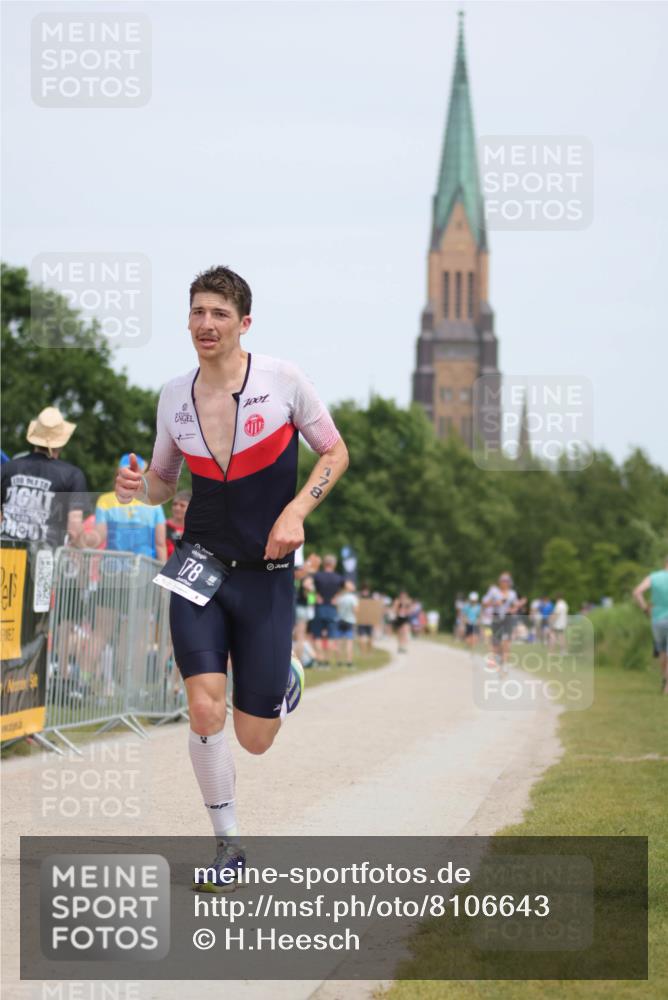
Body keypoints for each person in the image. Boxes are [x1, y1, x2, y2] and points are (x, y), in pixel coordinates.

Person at [114, 266, 348, 890]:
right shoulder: (173, 395)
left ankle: (286, 677)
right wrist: (142, 491)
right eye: (197, 312)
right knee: (202, 706)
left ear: (244, 323)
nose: (206, 324)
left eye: (219, 313)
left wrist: (297, 511)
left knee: (256, 739)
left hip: (267, 574)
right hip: (199, 566)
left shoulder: (283, 381)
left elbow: (335, 450)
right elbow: (166, 482)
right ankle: (229, 847)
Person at [0, 406, 88, 547]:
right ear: (61, 441)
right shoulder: (73, 475)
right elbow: (74, 530)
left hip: (6, 559)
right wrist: (85, 553)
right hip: (46, 561)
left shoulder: (7, 468)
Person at [96, 455, 168, 561]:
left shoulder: (104, 500)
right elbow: (160, 544)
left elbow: (99, 538)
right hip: (145, 567)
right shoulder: (154, 502)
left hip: (111, 568)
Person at [634, 557, 668, 693]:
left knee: (662, 651)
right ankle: (667, 685)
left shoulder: (654, 577)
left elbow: (637, 592)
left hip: (657, 619)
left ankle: (665, 681)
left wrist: (645, 608)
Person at [482, 573, 526, 674]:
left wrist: (515, 607)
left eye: (507, 581)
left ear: (509, 582)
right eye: (503, 581)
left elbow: (515, 605)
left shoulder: (512, 593)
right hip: (496, 617)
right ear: (499, 581)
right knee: (496, 643)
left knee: (506, 642)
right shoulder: (494, 591)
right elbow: (484, 603)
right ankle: (497, 662)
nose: (505, 583)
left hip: (507, 618)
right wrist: (494, 603)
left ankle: (505, 664)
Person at [311, 554, 346, 666]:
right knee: (331, 636)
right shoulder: (338, 577)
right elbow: (349, 587)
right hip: (332, 609)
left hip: (319, 608)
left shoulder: (317, 576)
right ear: (334, 564)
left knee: (317, 636)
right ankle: (327, 661)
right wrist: (337, 596)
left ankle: (320, 660)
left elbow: (308, 586)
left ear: (324, 564)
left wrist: (315, 595)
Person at [334, 580, 358, 667]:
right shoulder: (352, 598)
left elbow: (337, 609)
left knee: (339, 642)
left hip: (340, 620)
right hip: (350, 620)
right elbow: (355, 610)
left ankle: (339, 662)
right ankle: (349, 662)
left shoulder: (339, 597)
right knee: (349, 642)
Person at [165, 490, 191, 557]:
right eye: (175, 504)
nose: (177, 508)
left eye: (182, 505)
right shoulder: (163, 526)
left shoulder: (193, 531)